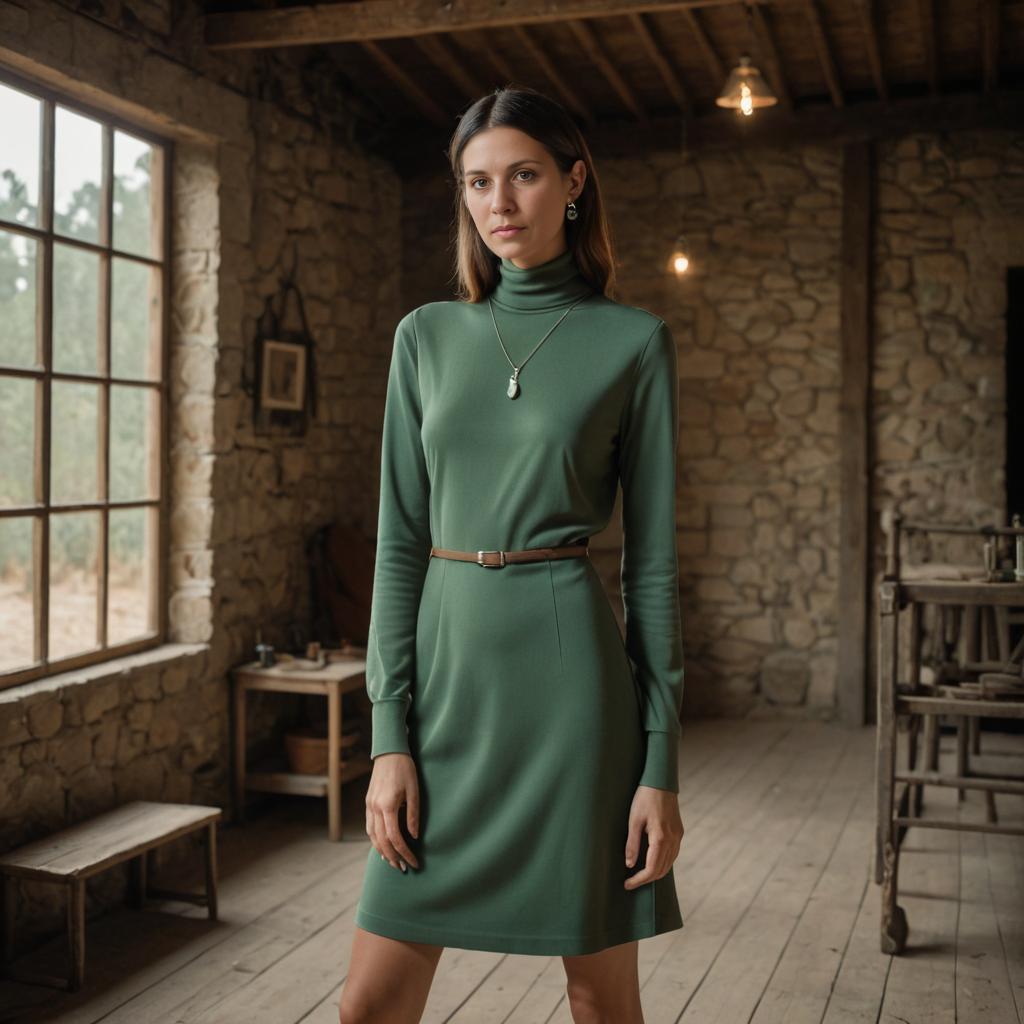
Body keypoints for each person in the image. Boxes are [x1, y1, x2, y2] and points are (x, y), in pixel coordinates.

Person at [339, 84, 686, 1024]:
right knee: (369, 1006)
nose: (500, 203)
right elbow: (399, 544)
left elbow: (651, 569)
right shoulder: (426, 337)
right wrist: (387, 739)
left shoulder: (634, 343)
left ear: (573, 182)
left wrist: (660, 767)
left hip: (573, 703)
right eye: (478, 182)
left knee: (599, 1000)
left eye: (524, 175)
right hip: (446, 695)